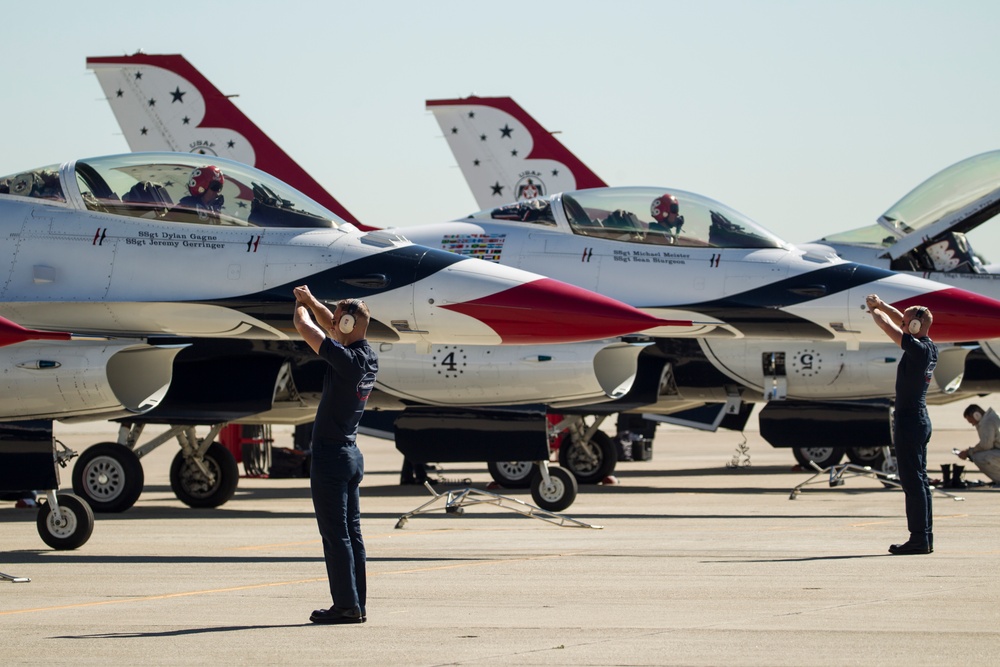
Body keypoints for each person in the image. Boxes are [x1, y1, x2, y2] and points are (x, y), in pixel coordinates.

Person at [293, 287, 378, 624]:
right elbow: (331, 328)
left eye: (337, 314)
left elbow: (305, 328)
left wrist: (300, 307)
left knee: (335, 535)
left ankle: (345, 606)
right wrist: (314, 302)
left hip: (331, 457)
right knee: (352, 533)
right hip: (350, 455)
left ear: (345, 323)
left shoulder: (344, 359)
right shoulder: (366, 356)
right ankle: (356, 603)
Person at [866, 295, 938, 555]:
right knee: (920, 481)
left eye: (908, 323)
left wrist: (874, 312)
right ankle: (924, 538)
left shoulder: (917, 350)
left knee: (912, 483)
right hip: (919, 420)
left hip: (910, 421)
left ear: (915, 327)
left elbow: (889, 327)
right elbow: (900, 321)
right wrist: (883, 306)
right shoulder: (928, 346)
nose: (904, 324)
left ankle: (918, 539)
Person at [959, 404, 1000, 484]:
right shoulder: (993, 416)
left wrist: (969, 452)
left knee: (979, 457)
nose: (972, 424)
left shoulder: (987, 422)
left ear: (976, 415)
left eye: (971, 421)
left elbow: (986, 445)